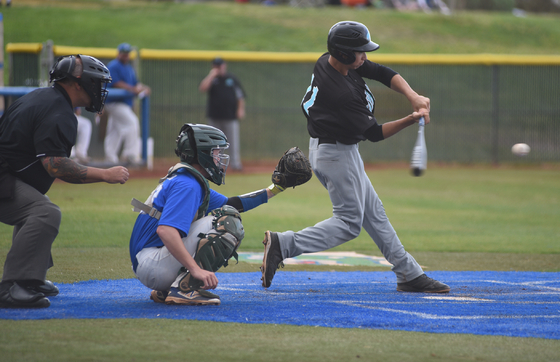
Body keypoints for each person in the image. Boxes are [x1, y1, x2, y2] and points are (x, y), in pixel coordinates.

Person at [260, 21, 451, 294]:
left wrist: (413, 96)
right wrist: (412, 118)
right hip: (337, 155)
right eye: (360, 52)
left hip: (334, 150)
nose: (365, 56)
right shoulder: (342, 94)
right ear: (345, 53)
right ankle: (283, 244)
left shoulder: (329, 60)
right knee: (349, 223)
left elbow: (381, 72)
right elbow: (374, 133)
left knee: (374, 214)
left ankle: (409, 273)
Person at [0, 55, 129, 309]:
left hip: (7, 174)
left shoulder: (41, 97)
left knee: (37, 205)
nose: (101, 90)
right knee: (45, 212)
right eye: (97, 83)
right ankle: (11, 286)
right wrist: (104, 174)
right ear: (78, 83)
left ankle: (30, 278)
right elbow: (55, 165)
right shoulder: (59, 110)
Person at [129, 123, 289, 306]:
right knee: (229, 223)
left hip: (149, 261)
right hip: (153, 265)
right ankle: (183, 288)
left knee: (228, 213)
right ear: (202, 154)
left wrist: (276, 188)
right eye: (216, 152)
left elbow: (233, 203)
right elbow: (165, 231)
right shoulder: (187, 185)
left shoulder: (186, 179)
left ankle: (168, 288)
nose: (219, 158)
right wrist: (195, 269)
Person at [104, 43, 150, 167]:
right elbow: (117, 83)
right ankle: (129, 154)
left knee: (115, 129)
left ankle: (110, 156)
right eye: (123, 53)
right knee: (132, 122)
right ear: (118, 53)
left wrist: (143, 87)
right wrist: (133, 89)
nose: (125, 56)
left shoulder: (129, 67)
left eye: (127, 54)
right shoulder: (113, 65)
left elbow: (136, 84)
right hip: (114, 101)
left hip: (122, 103)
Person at [198, 57, 245, 171]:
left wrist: (240, 109)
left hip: (230, 116)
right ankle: (215, 165)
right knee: (215, 143)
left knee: (233, 142)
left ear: (225, 65)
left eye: (220, 65)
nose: (218, 68)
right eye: (216, 66)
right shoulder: (212, 80)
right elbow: (202, 88)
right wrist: (211, 75)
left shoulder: (231, 79)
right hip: (214, 116)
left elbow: (240, 96)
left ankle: (235, 164)